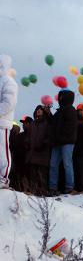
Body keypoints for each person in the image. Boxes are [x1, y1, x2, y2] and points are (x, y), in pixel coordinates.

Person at [48, 90, 78, 195]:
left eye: (61, 97)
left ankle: (69, 186)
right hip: (57, 142)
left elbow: (69, 128)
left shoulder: (71, 111)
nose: (59, 99)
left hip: (67, 141)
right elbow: (54, 124)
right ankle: (52, 187)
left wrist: (58, 137)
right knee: (53, 164)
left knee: (67, 164)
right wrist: (48, 114)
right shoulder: (59, 112)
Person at [0, 54, 18, 189]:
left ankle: (4, 178)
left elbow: (9, 102)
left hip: (3, 123)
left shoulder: (9, 81)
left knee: (3, 152)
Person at [25, 105, 52, 195]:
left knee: (42, 173)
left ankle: (43, 191)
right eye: (37, 109)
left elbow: (49, 136)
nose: (38, 111)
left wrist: (43, 145)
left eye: (40, 109)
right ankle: (32, 191)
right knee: (32, 173)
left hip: (42, 153)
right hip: (32, 153)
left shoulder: (47, 123)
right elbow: (28, 135)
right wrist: (27, 143)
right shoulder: (33, 123)